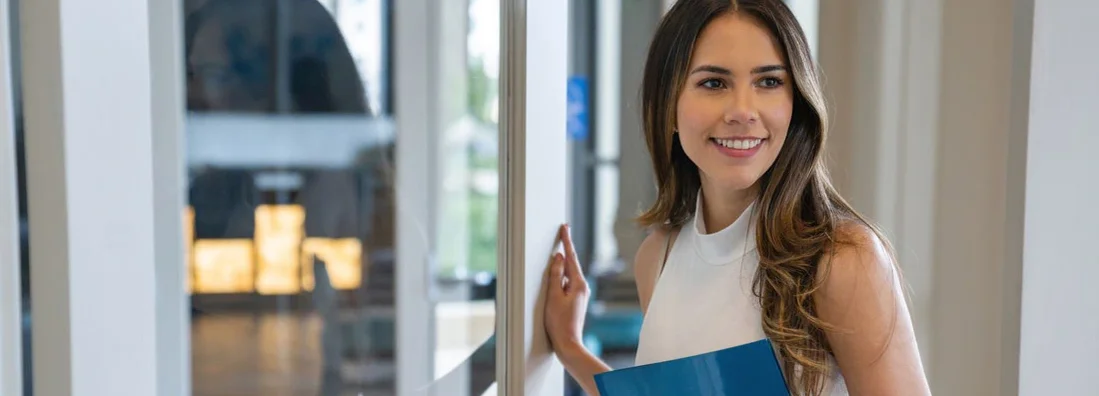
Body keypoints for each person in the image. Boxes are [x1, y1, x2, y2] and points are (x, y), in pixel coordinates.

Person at [543, 1, 931, 395]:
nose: (743, 111)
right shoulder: (656, 258)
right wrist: (570, 347)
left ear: (796, 102)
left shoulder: (842, 260)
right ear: (668, 107)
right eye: (714, 83)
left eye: (768, 82)